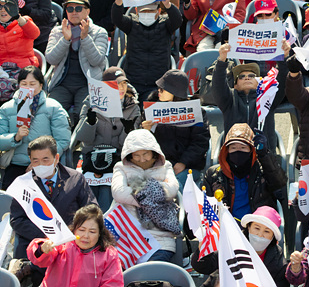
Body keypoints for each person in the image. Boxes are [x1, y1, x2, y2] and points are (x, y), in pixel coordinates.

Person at [10, 136, 96, 284]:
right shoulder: (23, 184)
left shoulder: (75, 178)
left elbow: (92, 210)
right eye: (35, 161)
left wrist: (70, 233)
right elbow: (17, 220)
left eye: (45, 159)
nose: (41, 165)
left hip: (73, 243)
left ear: (56, 158)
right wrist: (48, 234)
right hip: (36, 244)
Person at [74, 67, 141, 211]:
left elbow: (127, 145)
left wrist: (129, 130)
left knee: (107, 190)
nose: (121, 88)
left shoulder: (133, 107)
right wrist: (91, 122)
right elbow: (84, 139)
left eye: (123, 84)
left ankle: (105, 226)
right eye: (116, 85)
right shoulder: (91, 102)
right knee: (91, 191)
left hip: (119, 158)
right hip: (92, 156)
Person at [111, 129, 179, 263]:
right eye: (136, 155)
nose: (142, 159)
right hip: (127, 234)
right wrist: (154, 191)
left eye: (145, 154)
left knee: (151, 275)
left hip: (160, 235)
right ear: (129, 155)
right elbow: (118, 192)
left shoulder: (166, 166)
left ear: (154, 152)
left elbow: (172, 189)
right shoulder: (120, 167)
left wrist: (137, 191)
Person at [45, 0, 109, 123]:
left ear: (87, 11)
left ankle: (78, 142)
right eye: (70, 9)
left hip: (87, 83)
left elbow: (96, 60)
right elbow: (51, 59)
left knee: (84, 116)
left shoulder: (99, 32)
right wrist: (65, 39)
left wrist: (85, 38)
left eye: (78, 9)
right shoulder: (58, 31)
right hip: (61, 83)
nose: (74, 12)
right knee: (50, 112)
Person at [26, 204, 124, 287]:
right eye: (81, 230)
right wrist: (42, 249)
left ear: (99, 233)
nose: (85, 236)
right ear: (74, 229)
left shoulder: (109, 254)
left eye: (92, 232)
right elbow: (38, 258)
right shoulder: (62, 242)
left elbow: (113, 283)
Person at [202, 123, 286, 221]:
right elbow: (205, 207)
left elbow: (279, 183)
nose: (238, 152)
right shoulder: (213, 174)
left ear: (251, 150)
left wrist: (265, 155)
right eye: (233, 148)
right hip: (225, 228)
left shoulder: (262, 170)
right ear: (226, 150)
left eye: (243, 148)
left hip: (257, 227)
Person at [143, 69, 210, 189]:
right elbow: (140, 143)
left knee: (174, 186)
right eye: (159, 87)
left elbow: (200, 142)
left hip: (188, 167)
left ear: (175, 91)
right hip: (156, 166)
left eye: (163, 88)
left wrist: (183, 163)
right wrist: (144, 131)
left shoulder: (196, 111)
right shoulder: (151, 110)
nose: (159, 91)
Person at [192, 205, 289, 287]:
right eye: (256, 228)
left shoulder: (278, 260)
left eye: (267, 231)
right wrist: (203, 250)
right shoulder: (233, 245)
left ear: (273, 237)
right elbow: (203, 267)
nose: (260, 234)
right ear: (249, 227)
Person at [0, 0, 39, 69]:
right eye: (0, 6)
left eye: (8, 6)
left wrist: (17, 17)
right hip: (2, 71)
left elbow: (35, 34)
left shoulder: (24, 21)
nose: (3, 10)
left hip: (24, 69)